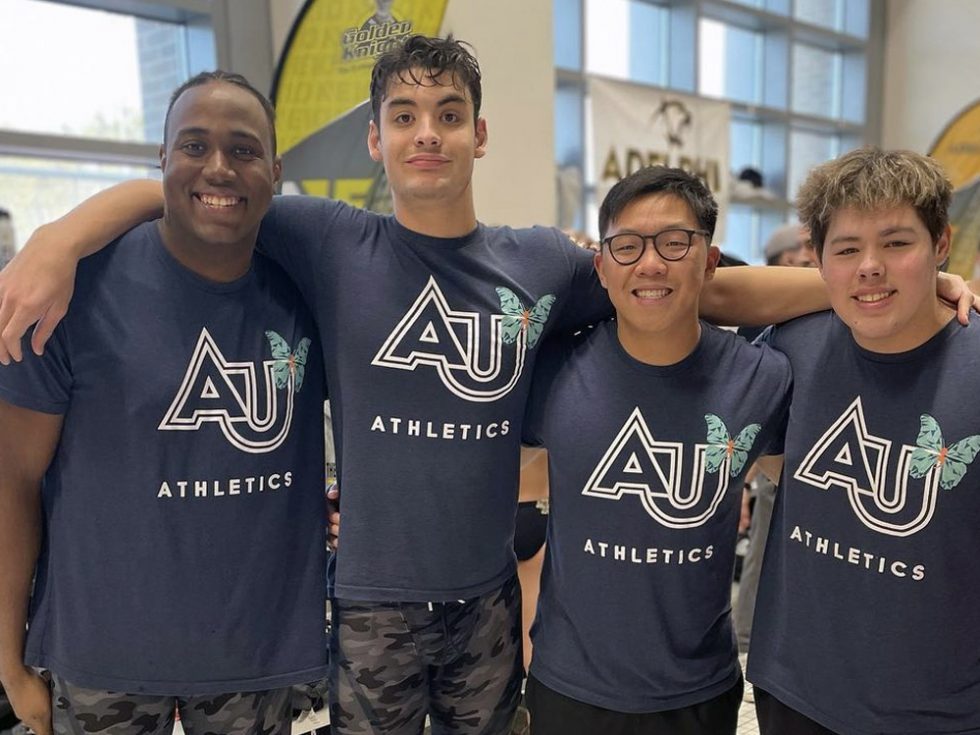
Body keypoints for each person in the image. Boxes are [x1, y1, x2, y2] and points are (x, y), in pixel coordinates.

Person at [0, 38, 973, 735]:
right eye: (405, 118)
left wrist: (872, 279)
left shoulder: (541, 261)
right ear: (376, 142)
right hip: (371, 607)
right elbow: (206, 188)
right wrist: (57, 238)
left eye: (448, 115)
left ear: (480, 134)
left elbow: (691, 280)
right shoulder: (327, 241)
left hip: (487, 605)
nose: (428, 134)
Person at [0, 71, 328, 735]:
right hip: (101, 659)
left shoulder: (312, 288)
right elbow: (12, 484)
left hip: (255, 660)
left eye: (242, 150)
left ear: (275, 169)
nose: (218, 167)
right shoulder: (69, 296)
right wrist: (7, 659)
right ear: (162, 159)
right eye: (194, 146)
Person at [521, 166, 790, 735]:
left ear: (710, 260)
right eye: (627, 246)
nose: (650, 264)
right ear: (601, 265)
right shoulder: (553, 370)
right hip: (571, 686)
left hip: (698, 691)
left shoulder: (760, 378)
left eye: (675, 243)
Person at [747, 147, 980, 734]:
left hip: (938, 714)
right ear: (819, 263)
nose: (870, 266)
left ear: (941, 243)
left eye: (898, 243)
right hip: (793, 693)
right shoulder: (792, 345)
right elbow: (698, 292)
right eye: (847, 250)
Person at [733, 221, 816, 651]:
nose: (811, 253)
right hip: (775, 447)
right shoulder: (765, 312)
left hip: (799, 447)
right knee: (765, 543)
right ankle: (746, 632)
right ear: (786, 258)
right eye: (803, 248)